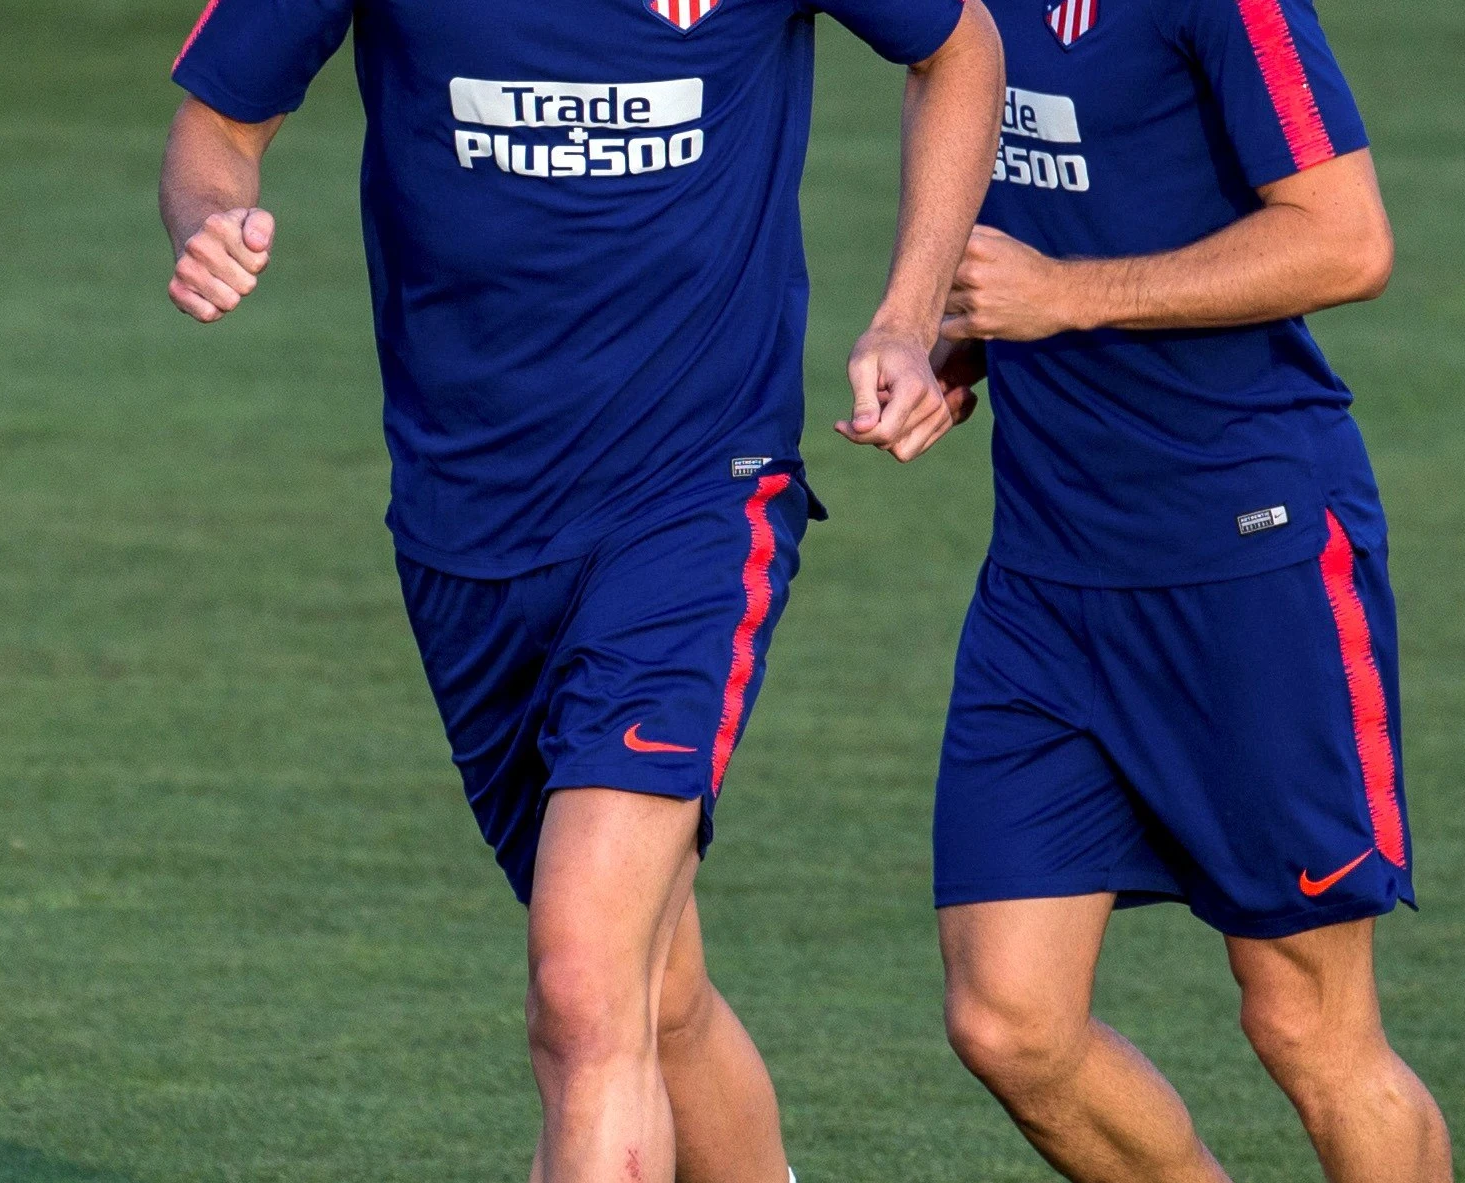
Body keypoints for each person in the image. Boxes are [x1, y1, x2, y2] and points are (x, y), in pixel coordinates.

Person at [158, 0, 1005, 1177]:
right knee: (655, 993)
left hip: (696, 500)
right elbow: (218, 124)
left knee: (581, 989)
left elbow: (958, 42)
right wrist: (209, 220)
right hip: (466, 528)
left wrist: (911, 319)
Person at [924, 0, 1453, 1179]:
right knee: (1008, 1017)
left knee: (1305, 1018)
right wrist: (954, 339)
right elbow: (1032, 190)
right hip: (1047, 581)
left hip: (1249, 561)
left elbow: (1346, 241)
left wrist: (1068, 295)